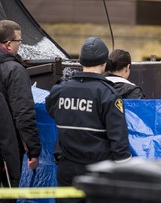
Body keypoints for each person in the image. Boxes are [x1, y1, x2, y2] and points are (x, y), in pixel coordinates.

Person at [45, 37, 132, 203]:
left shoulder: (60, 89)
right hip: (98, 171)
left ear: (81, 61)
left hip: (67, 169)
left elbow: (51, 111)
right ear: (104, 63)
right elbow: (118, 140)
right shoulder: (108, 94)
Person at [0, 20, 42, 190]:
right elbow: (23, 113)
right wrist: (33, 149)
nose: (20, 45)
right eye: (19, 41)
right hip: (6, 149)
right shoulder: (14, 70)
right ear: (9, 44)